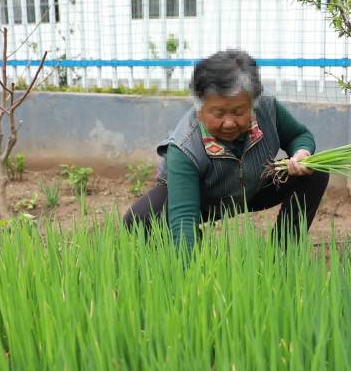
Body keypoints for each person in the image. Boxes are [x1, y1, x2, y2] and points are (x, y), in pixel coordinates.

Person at [123, 49, 329, 253]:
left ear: (253, 103)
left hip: (253, 186)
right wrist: (189, 271)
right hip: (201, 199)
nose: (229, 122)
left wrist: (301, 153)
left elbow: (298, 136)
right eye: (218, 113)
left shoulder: (268, 111)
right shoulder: (185, 146)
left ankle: (283, 251)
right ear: (200, 109)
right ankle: (200, 257)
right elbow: (183, 216)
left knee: (315, 171)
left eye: (239, 112)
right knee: (140, 220)